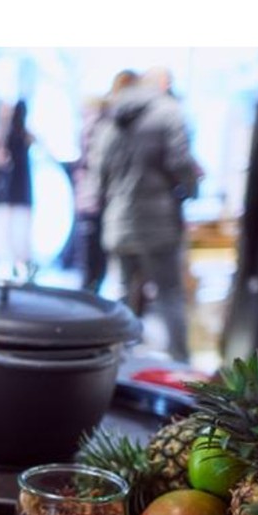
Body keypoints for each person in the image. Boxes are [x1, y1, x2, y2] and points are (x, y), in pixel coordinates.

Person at [91, 68, 202, 361]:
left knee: (122, 296)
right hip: (159, 223)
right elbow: (181, 162)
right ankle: (182, 368)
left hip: (118, 222)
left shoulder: (111, 119)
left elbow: (99, 176)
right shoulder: (169, 113)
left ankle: (114, 365)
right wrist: (192, 190)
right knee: (169, 295)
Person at [73, 70, 139, 296]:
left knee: (97, 270)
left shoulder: (110, 121)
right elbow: (96, 167)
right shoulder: (104, 123)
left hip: (100, 202)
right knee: (93, 270)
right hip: (96, 203)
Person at [0, 98, 36, 278]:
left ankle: (18, 270)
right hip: (8, 194)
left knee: (17, 236)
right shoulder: (2, 134)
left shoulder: (16, 134)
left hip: (15, 192)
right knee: (8, 236)